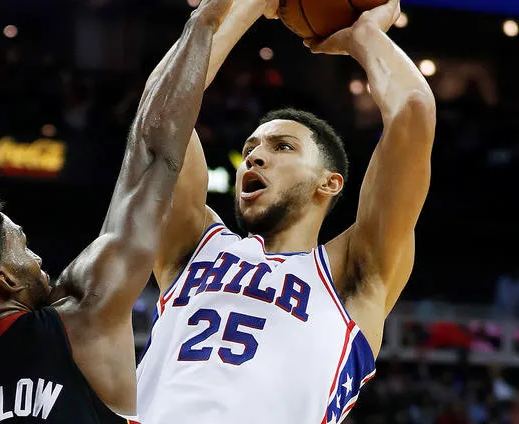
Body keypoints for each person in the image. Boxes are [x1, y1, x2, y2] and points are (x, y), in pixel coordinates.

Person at [0, 0, 232, 422]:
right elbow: (154, 153)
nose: (38, 259)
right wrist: (204, 22)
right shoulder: (80, 321)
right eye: (23, 246)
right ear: (5, 278)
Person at [136, 0, 436, 422]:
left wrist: (366, 35)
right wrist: (251, 5)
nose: (255, 158)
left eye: (282, 147)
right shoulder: (194, 247)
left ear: (328, 183)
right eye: (250, 149)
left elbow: (413, 113)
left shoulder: (353, 274)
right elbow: (162, 110)